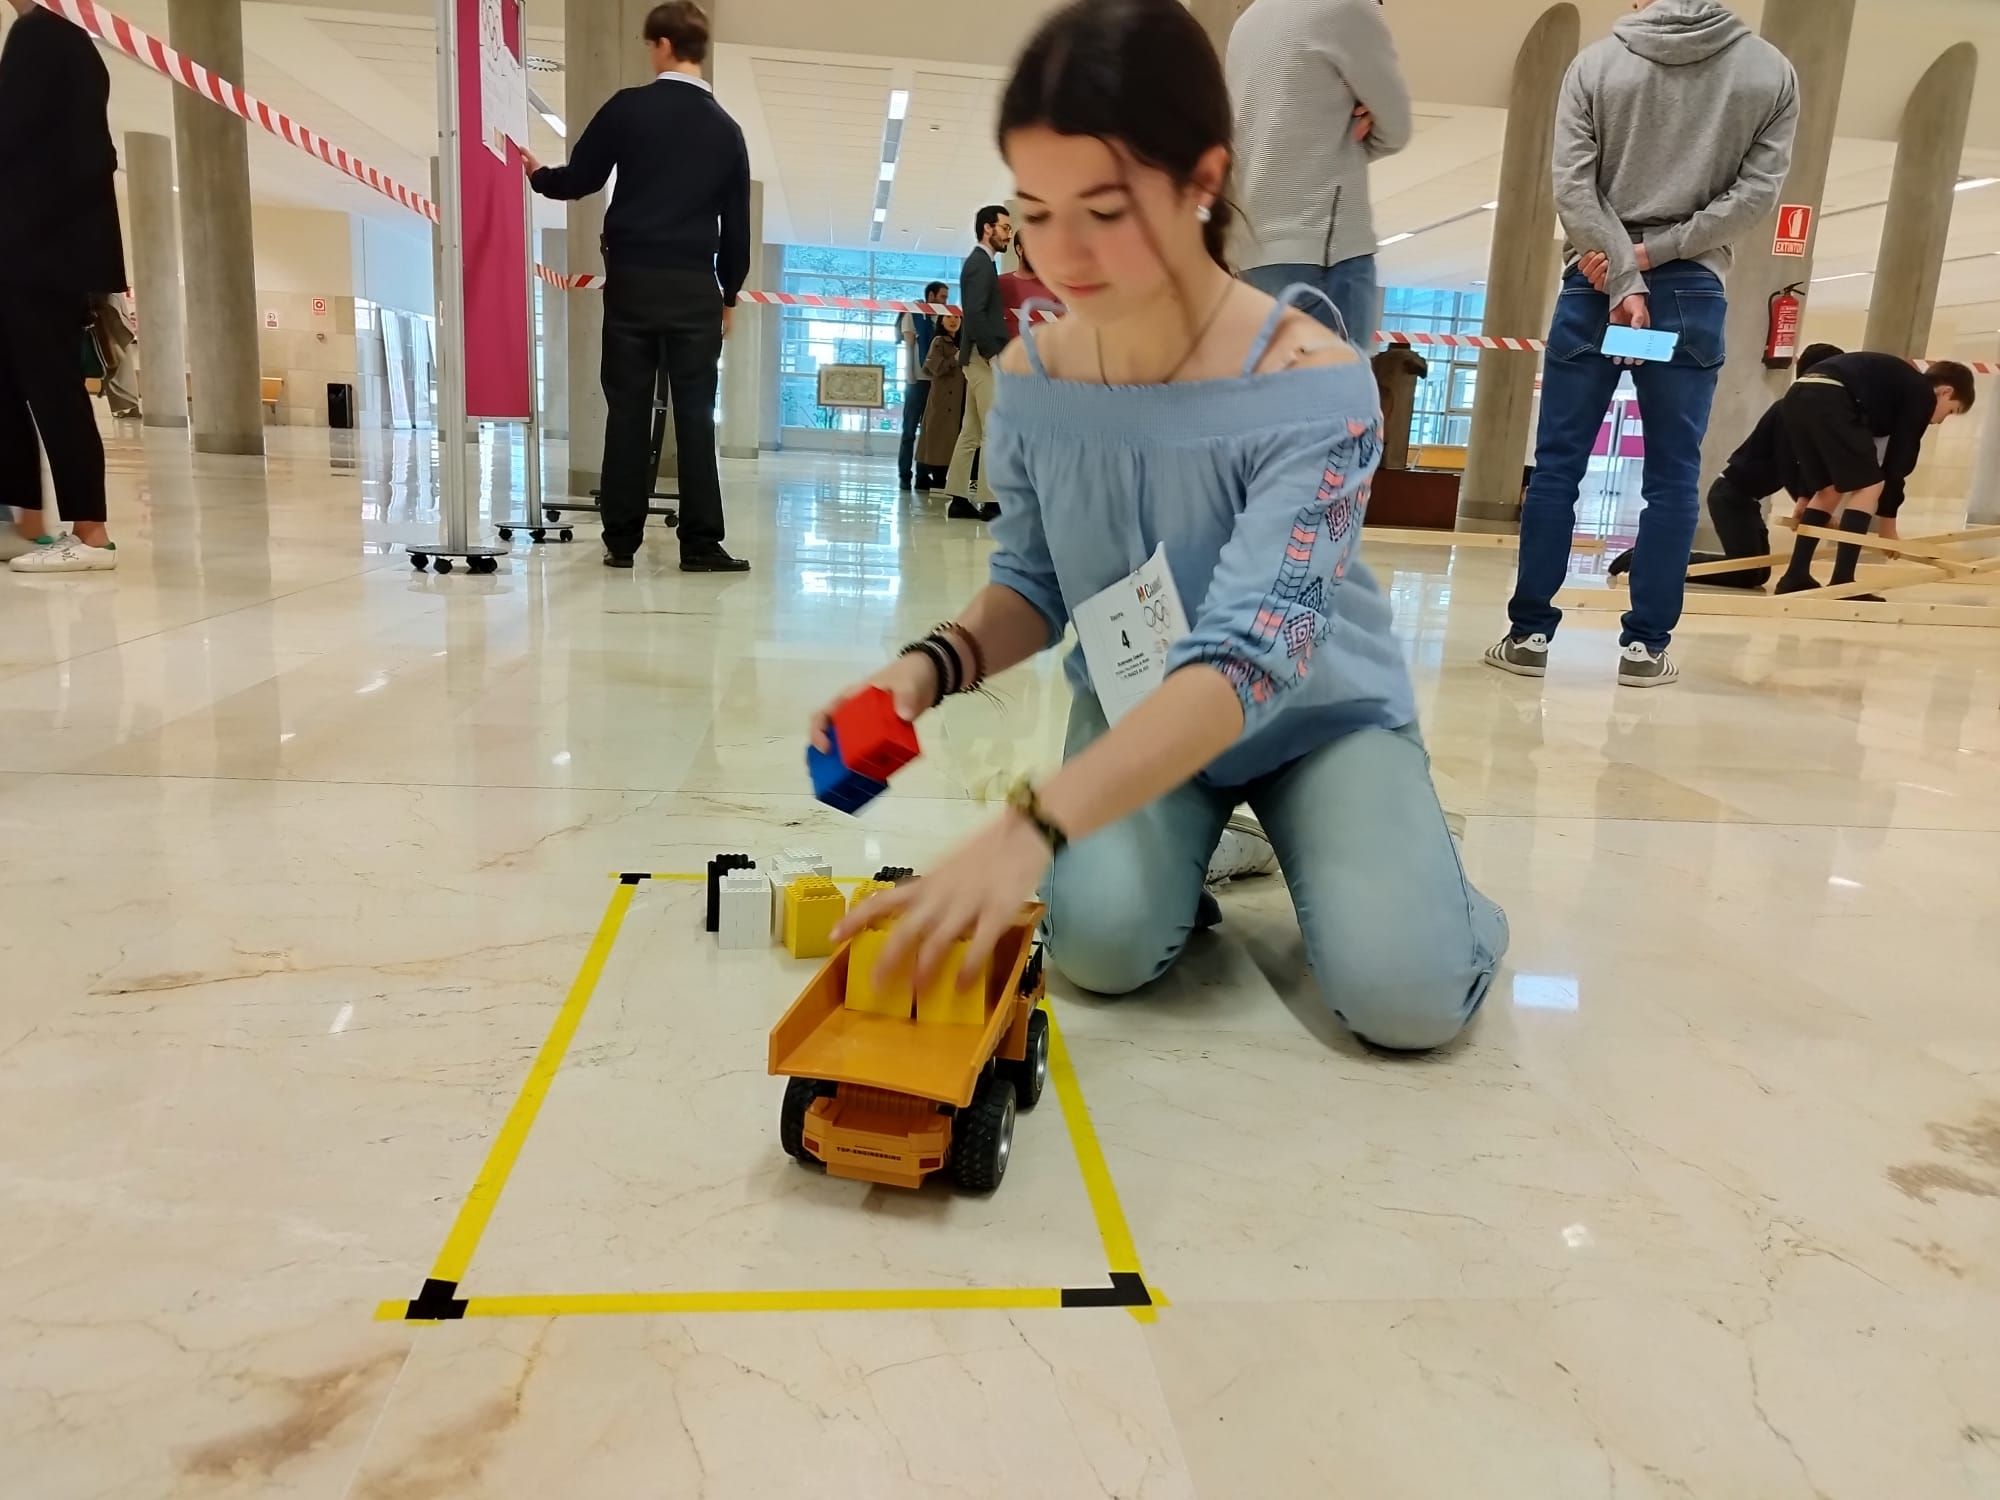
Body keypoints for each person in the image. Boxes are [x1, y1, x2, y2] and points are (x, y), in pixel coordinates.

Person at [812, 0, 1507, 1054]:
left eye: (1105, 208)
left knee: (1403, 996)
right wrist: (922, 670)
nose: (1064, 252)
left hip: (1319, 720)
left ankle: (1404, 862)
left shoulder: (1315, 383)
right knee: (1098, 946)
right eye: (1034, 211)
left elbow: (1247, 658)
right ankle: (1205, 843)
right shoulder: (1037, 378)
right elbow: (1033, 586)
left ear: (1201, 181)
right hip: (1141, 714)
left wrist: (1034, 823)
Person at [1485, 0, 1798, 688]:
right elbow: (1755, 195)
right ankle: (1644, 648)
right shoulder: (1770, 71)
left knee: (1559, 469)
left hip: (1594, 283)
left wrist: (1621, 270)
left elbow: (1573, 184)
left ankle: (1530, 634)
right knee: (1672, 480)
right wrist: (1654, 259)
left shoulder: (1594, 63)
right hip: (1691, 293)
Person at [524, 1, 750, 573]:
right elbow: (738, 226)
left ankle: (621, 540)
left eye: (650, 45)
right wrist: (729, 294)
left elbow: (582, 180)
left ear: (664, 46)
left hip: (632, 285)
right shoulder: (728, 132)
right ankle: (700, 543)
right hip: (695, 287)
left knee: (627, 409)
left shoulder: (631, 108)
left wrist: (536, 174)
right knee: (696, 413)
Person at [0, 0, 125, 574]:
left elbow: (12, 139)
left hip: (36, 250)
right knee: (16, 380)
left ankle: (90, 533)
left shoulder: (38, 35)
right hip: (49, 249)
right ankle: (23, 521)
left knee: (52, 385)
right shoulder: (73, 42)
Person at [1228, 0, 1412, 347]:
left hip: (1254, 255)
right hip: (1323, 254)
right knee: (1337, 397)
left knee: (1268, 397)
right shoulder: (1347, 7)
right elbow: (1397, 127)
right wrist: (1348, 137)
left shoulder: (1249, 21)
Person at [1607, 341, 1841, 589]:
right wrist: (1806, 499)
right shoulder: (1789, 408)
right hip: (1731, 497)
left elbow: (1801, 461)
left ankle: (1659, 560)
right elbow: (1789, 461)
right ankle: (1647, 559)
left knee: (1757, 573)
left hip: (1743, 500)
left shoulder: (1800, 409)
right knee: (1746, 573)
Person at [1773, 353, 1976, 596]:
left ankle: (1795, 576)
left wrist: (1804, 495)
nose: (1942, 420)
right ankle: (1843, 582)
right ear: (1945, 392)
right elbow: (1901, 458)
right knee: (1870, 486)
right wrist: (1887, 523)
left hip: (1798, 394)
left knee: (1829, 487)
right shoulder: (1921, 394)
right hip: (1832, 396)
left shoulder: (1892, 389)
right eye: (1952, 410)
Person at [943, 204, 1014, 523]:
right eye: (1005, 227)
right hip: (982, 357)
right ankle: (990, 500)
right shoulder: (979, 264)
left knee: (971, 430)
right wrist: (993, 353)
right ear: (988, 228)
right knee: (993, 430)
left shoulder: (984, 264)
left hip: (975, 355)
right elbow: (974, 313)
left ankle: (958, 496)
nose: (1008, 234)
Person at [896, 280, 949, 490]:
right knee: (909, 429)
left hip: (936, 381)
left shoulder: (943, 317)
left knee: (930, 431)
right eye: (943, 296)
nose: (945, 300)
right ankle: (904, 473)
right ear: (931, 295)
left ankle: (922, 474)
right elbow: (909, 346)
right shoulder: (914, 313)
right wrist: (908, 373)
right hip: (917, 379)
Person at [914, 314, 966, 492]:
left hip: (958, 397)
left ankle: (942, 477)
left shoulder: (963, 343)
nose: (953, 321)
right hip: (942, 397)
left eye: (957, 318)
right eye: (949, 317)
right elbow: (933, 367)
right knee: (935, 436)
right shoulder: (938, 341)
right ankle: (930, 477)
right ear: (941, 321)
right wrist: (954, 360)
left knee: (949, 437)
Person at [998, 231, 1059, 343]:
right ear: (1019, 249)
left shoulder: (1054, 286)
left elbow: (1063, 326)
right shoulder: (1000, 283)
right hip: (1007, 355)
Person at [96, 292, 141, 420]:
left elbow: (113, 312)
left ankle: (131, 407)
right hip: (114, 337)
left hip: (113, 337)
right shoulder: (112, 294)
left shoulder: (110, 295)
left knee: (117, 372)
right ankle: (130, 407)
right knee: (118, 373)